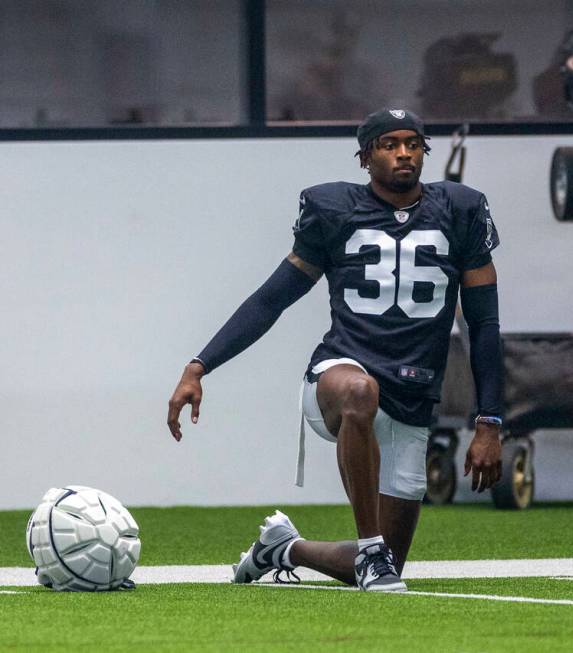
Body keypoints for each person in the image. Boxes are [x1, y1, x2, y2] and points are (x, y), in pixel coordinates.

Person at [167, 108, 504, 592]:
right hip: (340, 377)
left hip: (413, 391)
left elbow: (485, 323)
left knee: (391, 562)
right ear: (366, 157)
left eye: (413, 143)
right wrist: (199, 365)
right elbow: (271, 299)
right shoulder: (334, 209)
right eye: (390, 144)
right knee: (360, 393)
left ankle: (283, 548)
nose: (404, 153)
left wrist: (489, 420)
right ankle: (370, 548)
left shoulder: (461, 210)